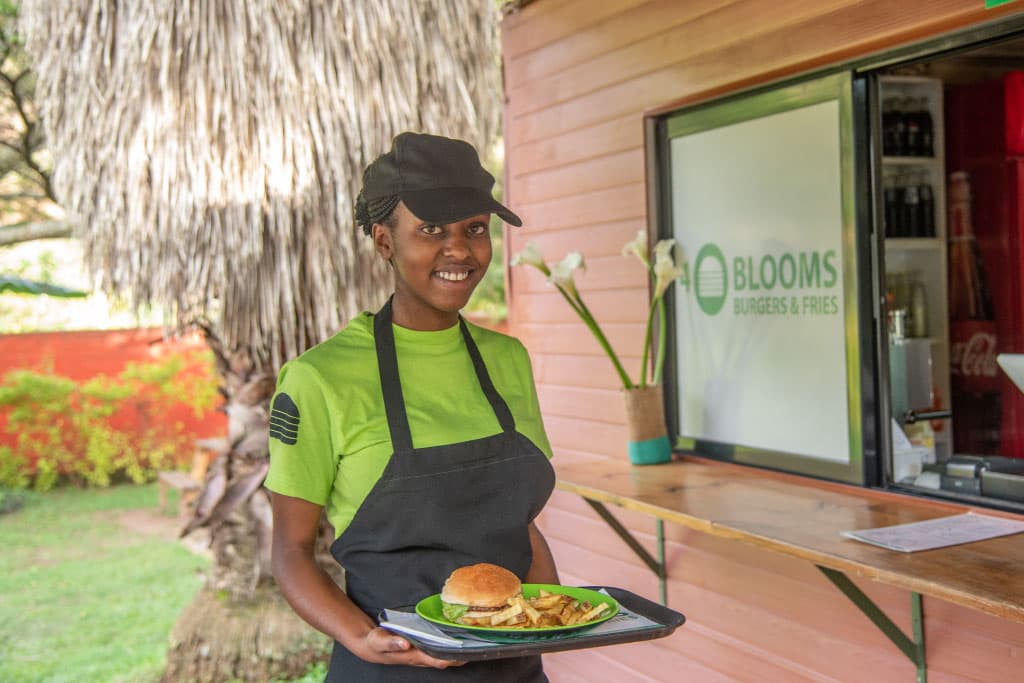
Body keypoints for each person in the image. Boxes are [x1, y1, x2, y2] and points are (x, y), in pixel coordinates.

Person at [266, 131, 558, 682]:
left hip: (515, 668)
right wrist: (363, 639)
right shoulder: (320, 379)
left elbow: (519, 527)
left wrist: (550, 618)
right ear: (384, 242)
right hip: (390, 668)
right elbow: (292, 551)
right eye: (431, 230)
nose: (460, 250)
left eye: (475, 228)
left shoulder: (508, 360)